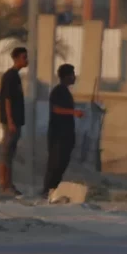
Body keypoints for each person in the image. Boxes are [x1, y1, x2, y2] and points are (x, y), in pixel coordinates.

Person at [43, 64, 85, 197]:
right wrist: (73, 112)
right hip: (58, 134)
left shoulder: (65, 92)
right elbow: (55, 109)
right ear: (66, 76)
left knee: (62, 163)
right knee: (56, 163)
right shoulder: (58, 91)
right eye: (72, 74)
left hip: (66, 133)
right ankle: (48, 190)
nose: (74, 77)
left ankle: (54, 190)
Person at [0, 46, 29, 196]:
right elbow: (7, 100)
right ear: (16, 59)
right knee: (6, 153)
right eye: (24, 57)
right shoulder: (10, 76)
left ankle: (9, 183)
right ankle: (4, 184)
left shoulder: (16, 76)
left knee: (10, 153)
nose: (26, 60)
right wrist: (10, 121)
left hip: (16, 121)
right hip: (11, 122)